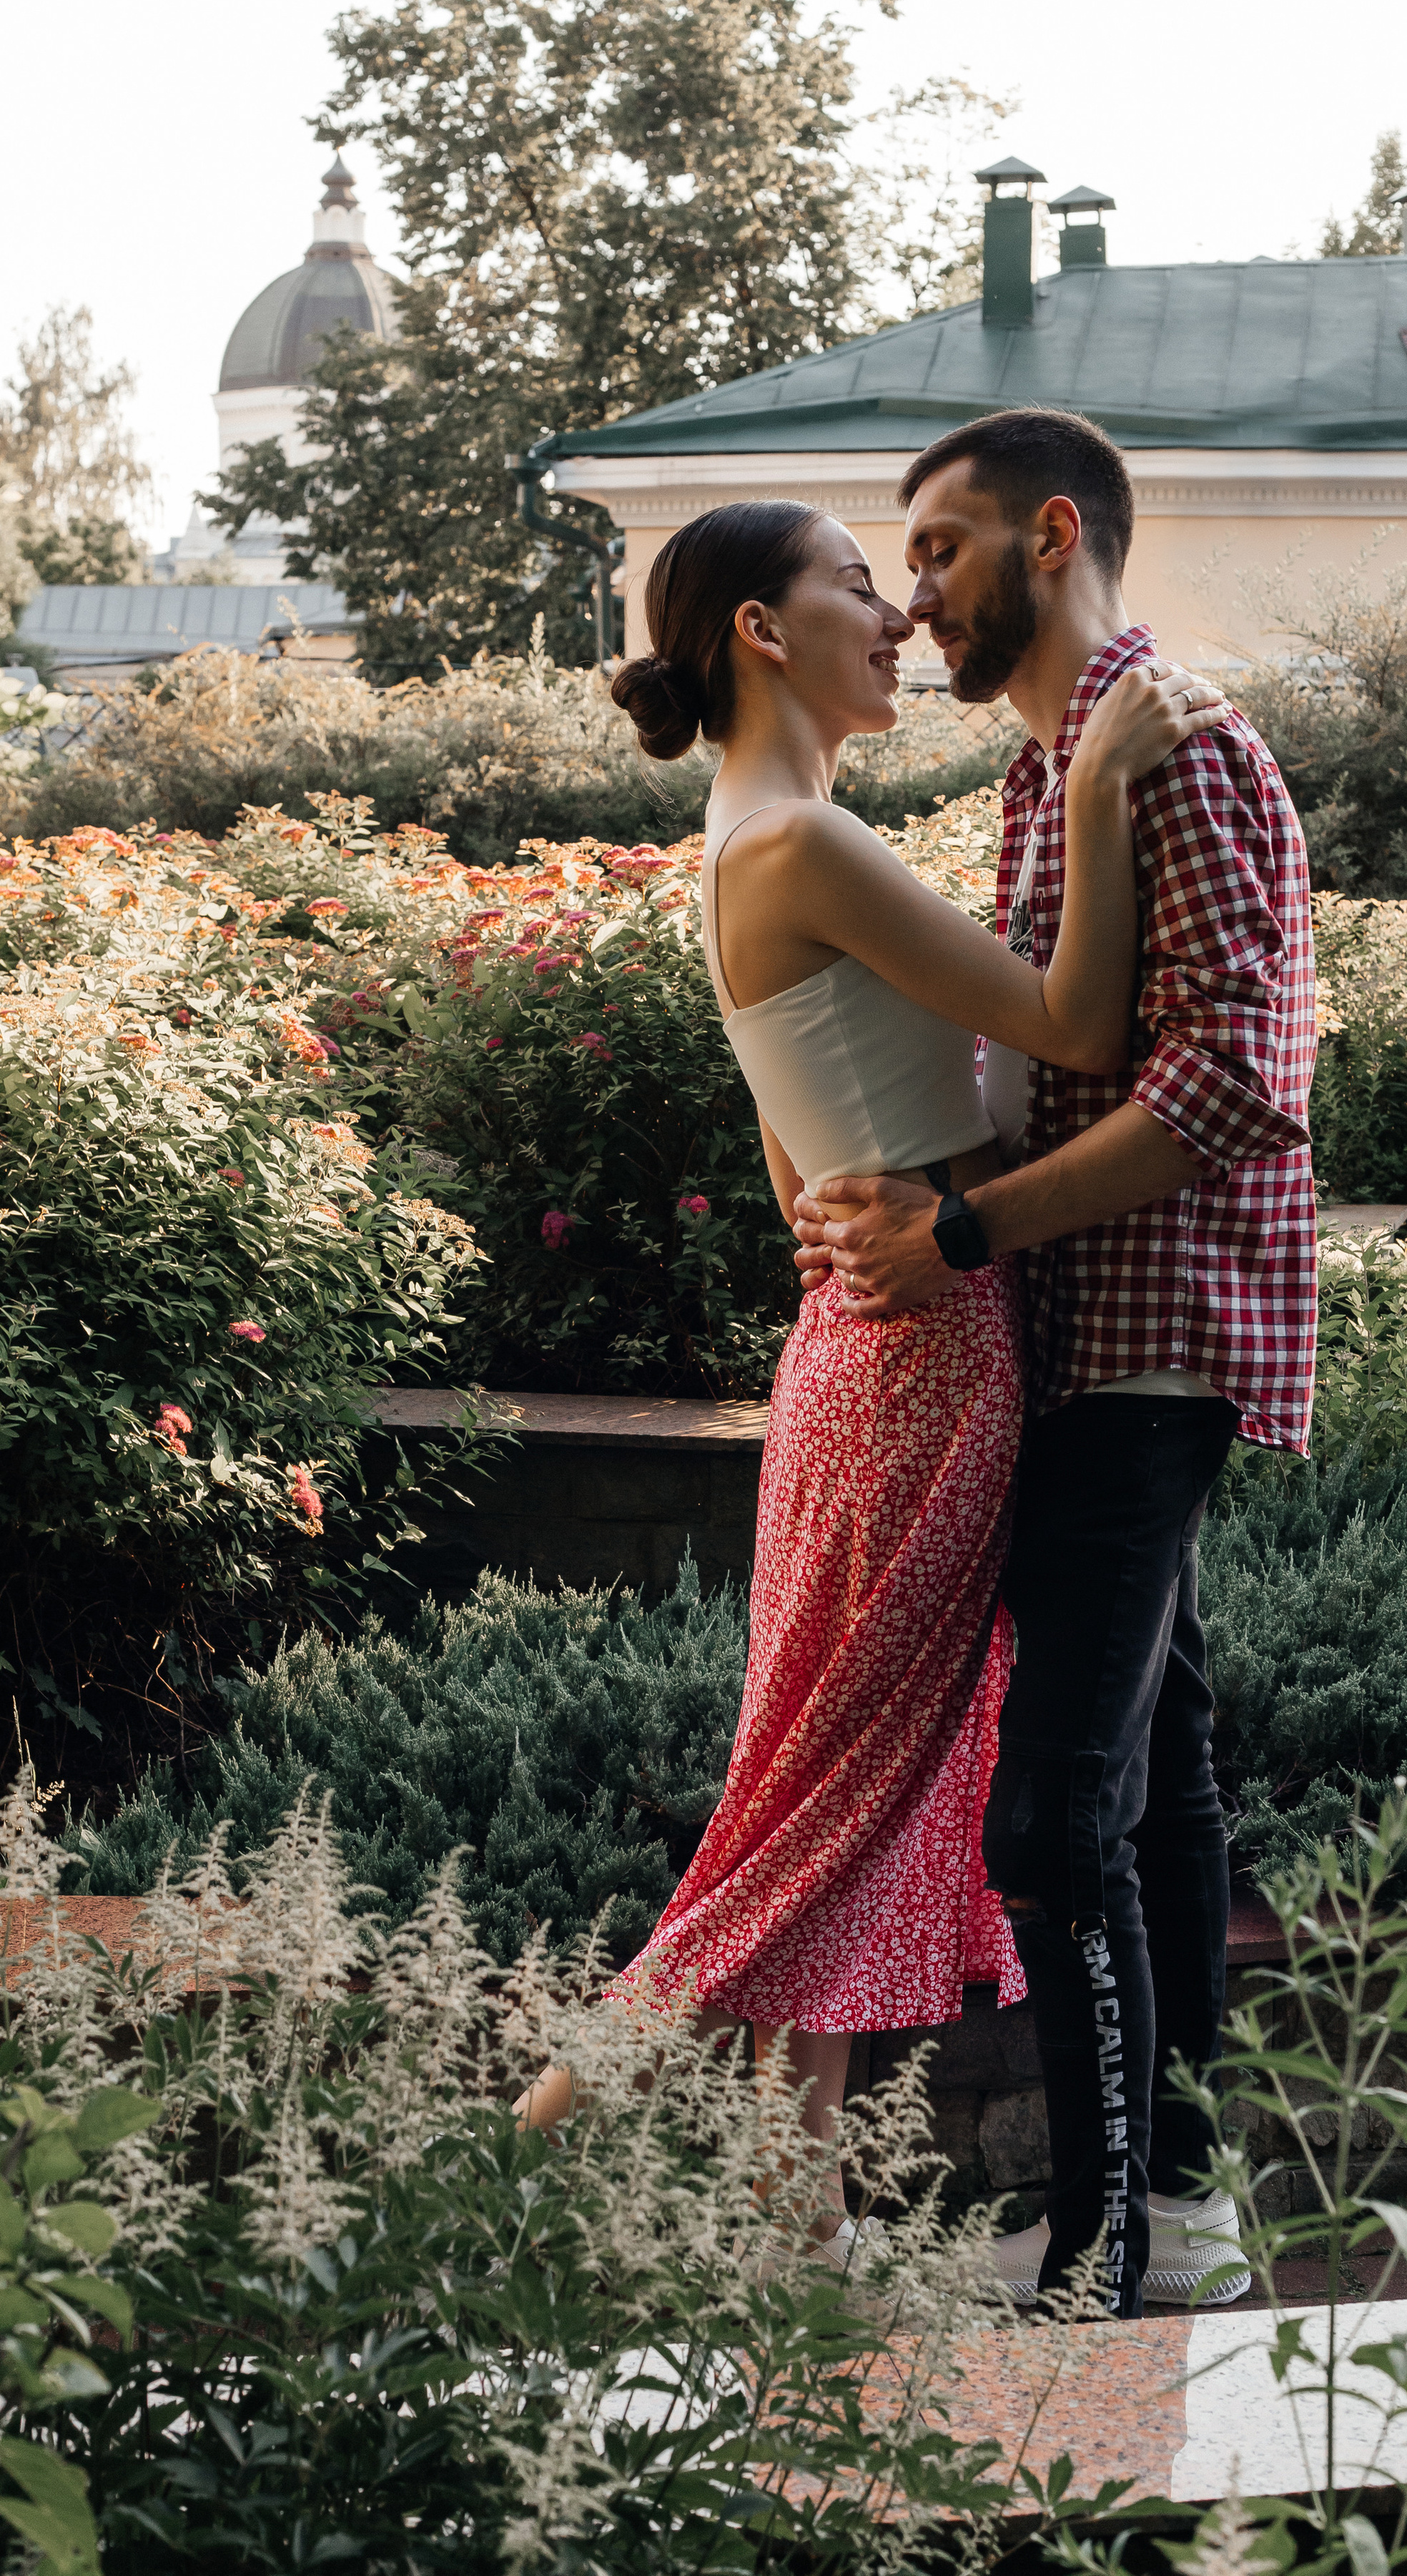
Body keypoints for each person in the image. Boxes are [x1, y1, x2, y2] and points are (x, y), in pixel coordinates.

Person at [514, 498, 1224, 2270]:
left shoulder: (745, 837)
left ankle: (795, 2232)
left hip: (863, 1353)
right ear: (761, 632)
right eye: (855, 584)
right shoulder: (804, 842)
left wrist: (869, 1200)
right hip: (918, 1362)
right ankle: (468, 2188)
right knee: (807, 1822)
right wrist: (1099, 780)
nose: (895, 615)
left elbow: (790, 1171)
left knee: (817, 1803)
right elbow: (1073, 1026)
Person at [791, 408, 1318, 2321]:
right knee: (1160, 1776)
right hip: (1068, 1342)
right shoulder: (1057, 773)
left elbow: (1235, 1082)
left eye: (940, 548)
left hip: (1144, 1349)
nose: (913, 592)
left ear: (1053, 534)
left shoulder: (1180, 750)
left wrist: (964, 1232)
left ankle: (1107, 2252)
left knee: (1055, 1814)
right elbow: (1038, 1059)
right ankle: (1176, 2203)